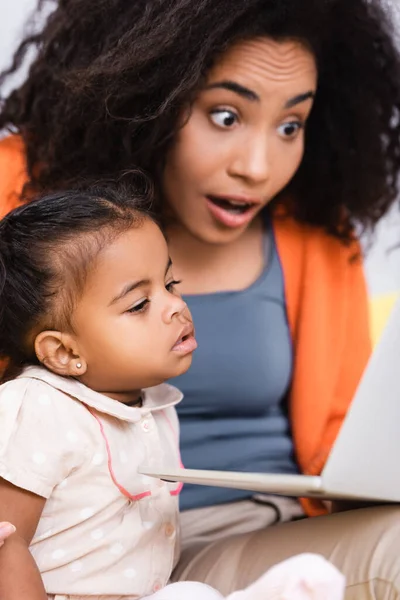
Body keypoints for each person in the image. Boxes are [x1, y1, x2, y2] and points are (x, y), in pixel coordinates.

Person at [0, 0, 400, 598]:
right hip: (139, 553)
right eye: (225, 116)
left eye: (291, 125)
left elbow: (347, 439)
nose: (259, 168)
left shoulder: (317, 230)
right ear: (148, 99)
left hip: (295, 523)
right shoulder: (26, 209)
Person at [0, 184, 347, 600]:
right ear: (63, 351)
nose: (176, 307)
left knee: (289, 577)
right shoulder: (35, 407)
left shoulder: (154, 406)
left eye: (171, 282)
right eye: (139, 305)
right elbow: (5, 541)